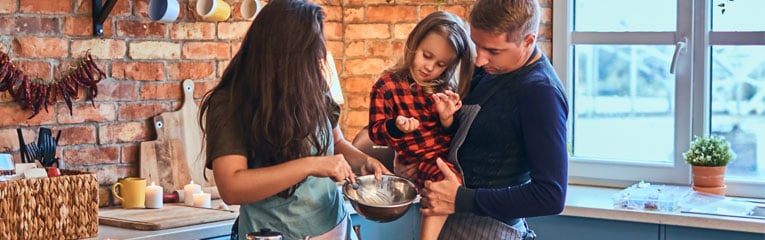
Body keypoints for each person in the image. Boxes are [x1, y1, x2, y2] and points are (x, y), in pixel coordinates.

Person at [198, 1, 389, 239]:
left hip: (336, 228)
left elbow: (336, 142)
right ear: (287, 53)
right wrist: (310, 165)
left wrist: (363, 161)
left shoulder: (314, 85)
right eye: (314, 48)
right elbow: (232, 187)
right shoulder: (231, 103)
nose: (320, 55)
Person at [409, 0, 570, 239]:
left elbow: (550, 196)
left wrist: (460, 199)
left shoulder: (541, 93)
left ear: (528, 41)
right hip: (451, 222)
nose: (479, 60)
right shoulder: (490, 69)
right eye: (477, 45)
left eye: (493, 51)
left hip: (490, 230)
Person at [367, 11, 475, 240]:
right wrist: (397, 126)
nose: (429, 68)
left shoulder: (443, 88)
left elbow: (451, 135)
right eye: (427, 56)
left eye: (440, 64)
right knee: (445, 182)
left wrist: (447, 119)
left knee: (449, 183)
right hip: (420, 162)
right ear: (414, 43)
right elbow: (376, 133)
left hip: (447, 159)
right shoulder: (386, 86)